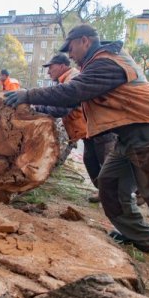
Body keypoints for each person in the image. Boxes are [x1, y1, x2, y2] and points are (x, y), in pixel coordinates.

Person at [4, 24, 149, 287]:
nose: (70, 55)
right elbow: (71, 102)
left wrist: (27, 94)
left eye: (71, 48)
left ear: (85, 40)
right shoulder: (94, 66)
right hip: (127, 137)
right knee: (109, 186)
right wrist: (34, 109)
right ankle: (139, 236)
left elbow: (72, 93)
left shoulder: (107, 63)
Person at [35, 53, 118, 204]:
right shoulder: (64, 80)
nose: (48, 72)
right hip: (88, 131)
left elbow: (62, 108)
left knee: (107, 165)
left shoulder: (73, 78)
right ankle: (105, 194)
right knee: (91, 161)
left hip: (101, 128)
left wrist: (37, 108)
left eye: (51, 68)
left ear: (61, 66)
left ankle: (127, 196)